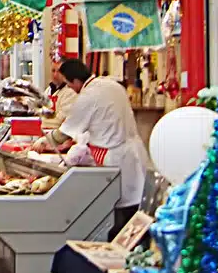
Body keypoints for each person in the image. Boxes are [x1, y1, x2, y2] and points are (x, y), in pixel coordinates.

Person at [31, 59, 153, 241]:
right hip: (135, 151)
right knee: (136, 206)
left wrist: (44, 141)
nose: (70, 88)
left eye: (69, 84)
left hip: (114, 157)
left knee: (118, 210)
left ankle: (119, 250)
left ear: (75, 81)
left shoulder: (88, 96)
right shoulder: (112, 85)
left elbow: (65, 132)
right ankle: (135, 246)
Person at [47, 60, 78, 124]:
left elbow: (60, 120)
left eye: (59, 71)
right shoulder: (49, 89)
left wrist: (41, 121)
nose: (55, 75)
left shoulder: (71, 92)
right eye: (53, 71)